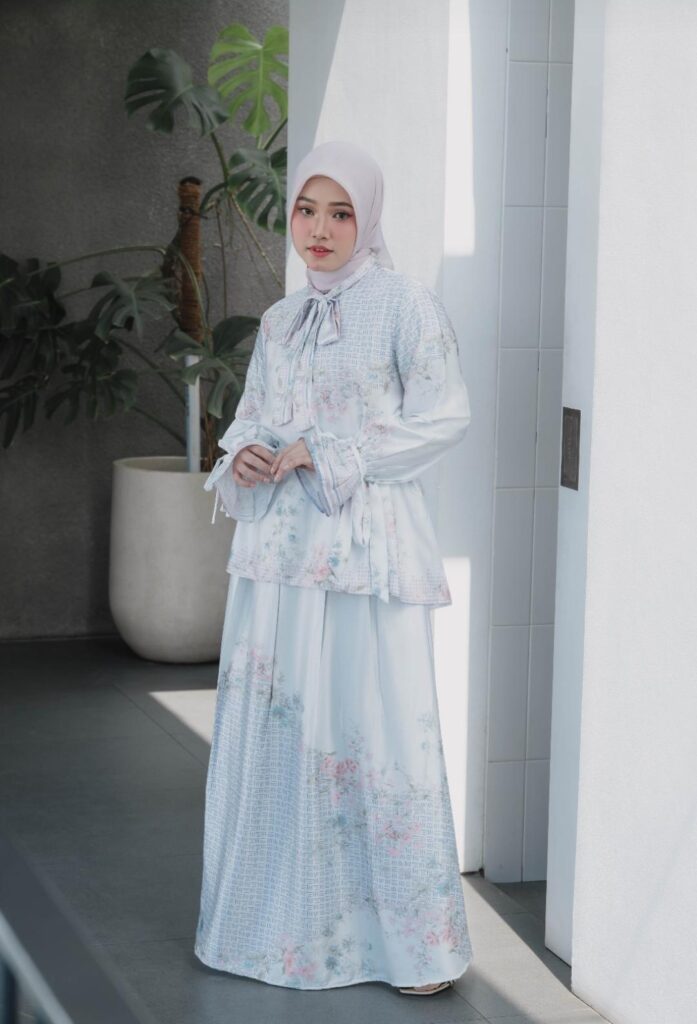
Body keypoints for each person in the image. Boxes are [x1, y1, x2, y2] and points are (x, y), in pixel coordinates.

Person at [194, 139, 474, 995]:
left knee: (377, 732)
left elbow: (444, 418)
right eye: (306, 211)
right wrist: (243, 452)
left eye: (340, 213)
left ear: (368, 217)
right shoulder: (281, 320)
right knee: (279, 731)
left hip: (365, 552)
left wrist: (332, 450)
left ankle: (409, 949)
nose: (318, 230)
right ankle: (269, 932)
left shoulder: (405, 306)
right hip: (280, 555)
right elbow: (254, 416)